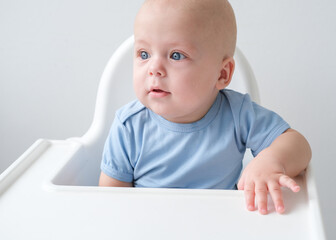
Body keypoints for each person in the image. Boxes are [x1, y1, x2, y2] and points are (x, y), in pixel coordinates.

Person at [98, 0, 311, 215]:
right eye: (144, 54)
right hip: (149, 224)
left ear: (222, 74)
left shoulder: (237, 114)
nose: (154, 68)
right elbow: (110, 205)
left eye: (176, 55)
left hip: (218, 224)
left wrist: (272, 161)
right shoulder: (129, 127)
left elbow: (299, 145)